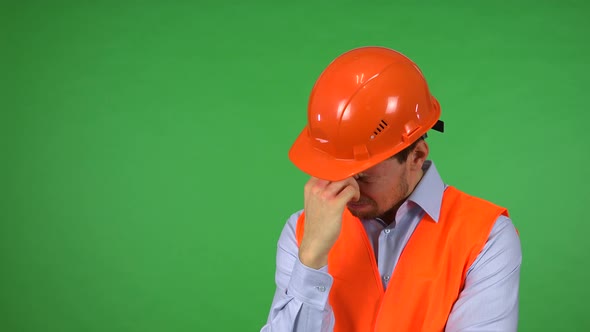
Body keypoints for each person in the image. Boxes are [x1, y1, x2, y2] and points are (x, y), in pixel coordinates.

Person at [261, 46, 522, 332]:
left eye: (363, 177)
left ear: (417, 156)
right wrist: (310, 258)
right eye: (336, 173)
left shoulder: (486, 238)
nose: (349, 191)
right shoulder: (302, 232)